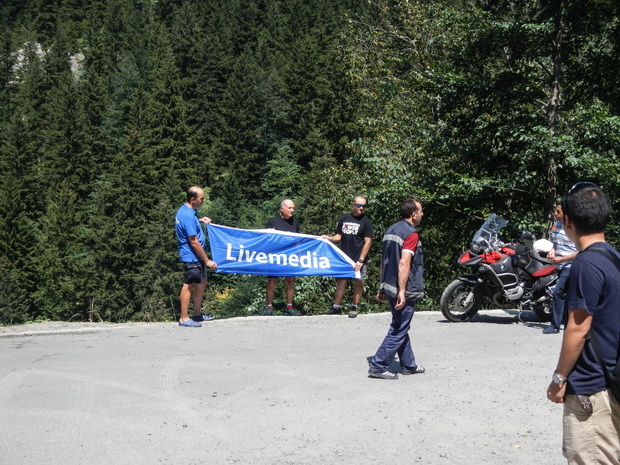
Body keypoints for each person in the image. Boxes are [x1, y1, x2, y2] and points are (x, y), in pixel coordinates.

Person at [546, 182, 620, 463]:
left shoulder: (585, 264)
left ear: (568, 220)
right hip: (611, 379)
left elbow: (578, 329)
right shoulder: (612, 256)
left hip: (592, 386)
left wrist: (559, 378)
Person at [368, 199, 426, 380]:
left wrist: (382, 285)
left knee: (401, 325)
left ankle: (409, 365)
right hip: (404, 288)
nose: (422, 214)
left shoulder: (390, 230)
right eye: (421, 211)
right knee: (399, 327)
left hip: (390, 285)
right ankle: (378, 365)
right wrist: (402, 291)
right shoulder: (411, 234)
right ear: (414, 214)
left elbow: (384, 260)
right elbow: (403, 262)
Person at [322, 195, 373, 318]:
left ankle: (354, 307)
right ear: (353, 204)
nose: (361, 208)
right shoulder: (345, 218)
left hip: (359, 259)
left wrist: (361, 260)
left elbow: (368, 241)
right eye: (359, 205)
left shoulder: (366, 221)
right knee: (341, 281)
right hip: (344, 258)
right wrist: (328, 238)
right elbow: (339, 236)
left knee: (358, 281)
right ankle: (336, 307)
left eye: (364, 206)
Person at [175, 186, 218, 327]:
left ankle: (197, 314)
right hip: (191, 256)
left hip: (196, 257)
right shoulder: (187, 215)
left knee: (202, 282)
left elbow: (188, 224)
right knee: (189, 285)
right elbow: (194, 242)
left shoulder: (188, 212)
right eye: (201, 198)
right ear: (193, 199)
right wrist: (207, 260)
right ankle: (184, 318)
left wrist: (199, 220)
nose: (203, 200)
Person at [544, 201, 578, 334]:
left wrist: (562, 259)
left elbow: (580, 251)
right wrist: (552, 250)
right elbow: (554, 242)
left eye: (558, 212)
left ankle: (555, 325)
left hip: (571, 265)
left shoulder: (575, 228)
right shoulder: (557, 225)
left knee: (557, 292)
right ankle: (567, 321)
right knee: (566, 294)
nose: (555, 214)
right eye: (555, 211)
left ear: (567, 214)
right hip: (559, 265)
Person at [263, 199, 301, 316]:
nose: (292, 210)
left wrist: (299, 255)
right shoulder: (272, 222)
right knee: (272, 281)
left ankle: (289, 307)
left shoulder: (295, 222)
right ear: (282, 209)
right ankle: (269, 307)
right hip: (275, 257)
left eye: (293, 208)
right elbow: (264, 239)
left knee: (290, 282)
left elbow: (298, 240)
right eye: (290, 208)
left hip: (290, 257)